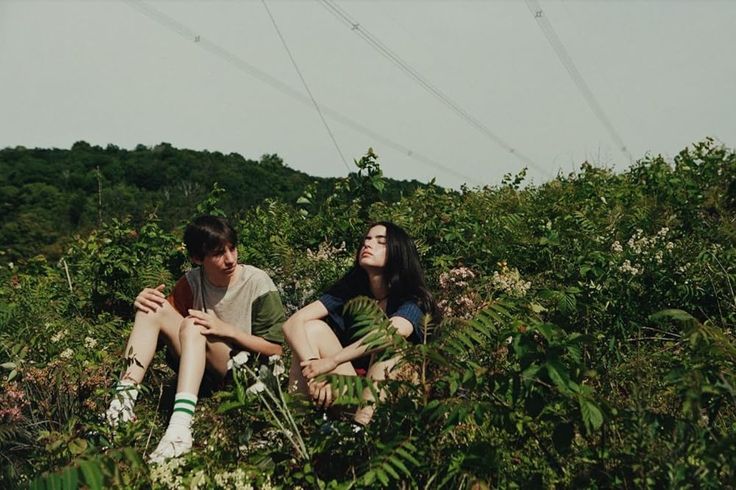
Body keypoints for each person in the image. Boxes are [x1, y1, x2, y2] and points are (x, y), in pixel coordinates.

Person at [105, 215, 285, 463]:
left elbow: (276, 347)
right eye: (218, 253)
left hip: (243, 373)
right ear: (197, 259)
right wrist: (142, 303)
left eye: (232, 248)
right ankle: (120, 407)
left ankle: (180, 428)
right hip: (201, 368)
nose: (230, 259)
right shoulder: (190, 283)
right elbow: (158, 337)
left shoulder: (256, 282)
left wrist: (228, 331)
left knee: (193, 324)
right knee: (153, 308)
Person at [283, 222, 435, 426]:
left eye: (381, 242)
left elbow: (394, 332)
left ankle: (360, 434)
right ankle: (294, 430)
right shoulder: (352, 288)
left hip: (401, 393)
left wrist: (332, 361)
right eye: (367, 239)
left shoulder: (413, 296)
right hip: (355, 387)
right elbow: (293, 322)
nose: (368, 244)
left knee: (387, 343)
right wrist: (314, 370)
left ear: (399, 253)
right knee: (311, 328)